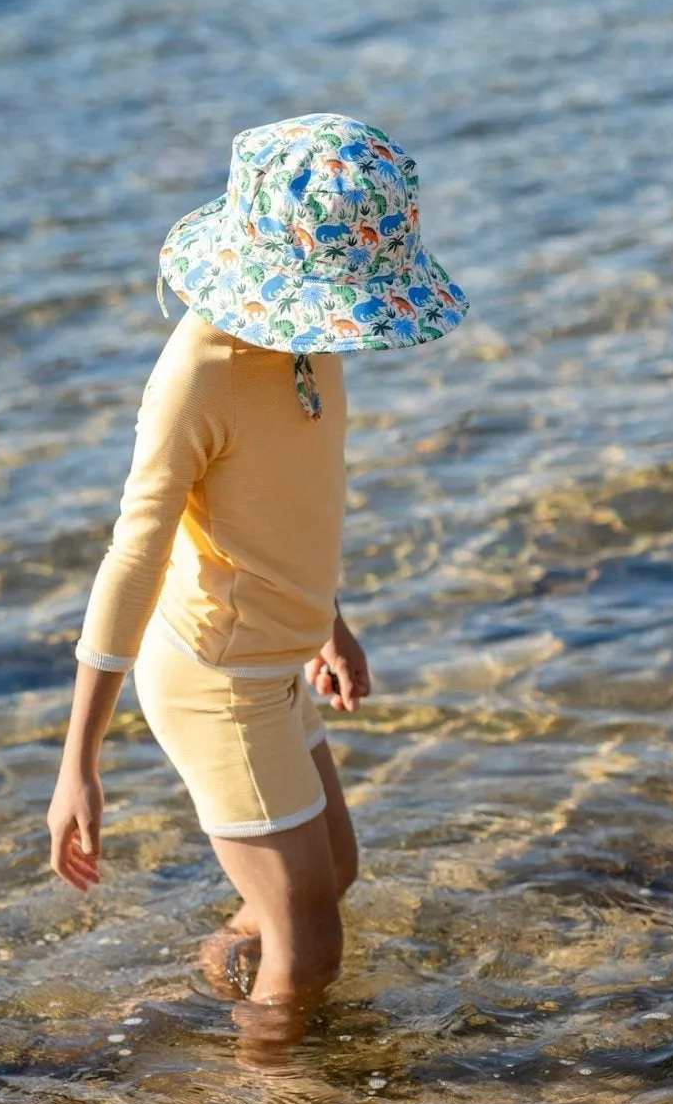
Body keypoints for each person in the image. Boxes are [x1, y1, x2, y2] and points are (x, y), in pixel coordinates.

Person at [46, 112, 467, 1028]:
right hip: (216, 678)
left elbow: (286, 506)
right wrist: (78, 763)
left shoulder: (307, 339)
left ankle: (204, 983)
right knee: (312, 948)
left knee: (333, 875)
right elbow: (134, 555)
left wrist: (328, 622)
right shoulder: (197, 376)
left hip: (273, 654)